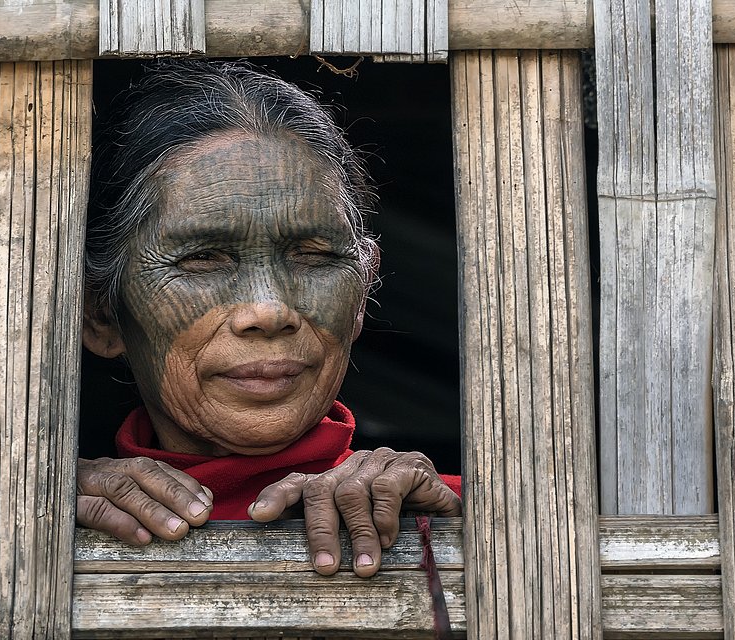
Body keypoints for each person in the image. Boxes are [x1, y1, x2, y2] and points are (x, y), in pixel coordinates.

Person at [77, 60, 461, 578]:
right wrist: (31, 501)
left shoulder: (461, 513)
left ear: (363, 293)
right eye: (202, 259)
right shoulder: (46, 515)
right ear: (103, 314)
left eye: (314, 256)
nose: (270, 310)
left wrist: (456, 524)